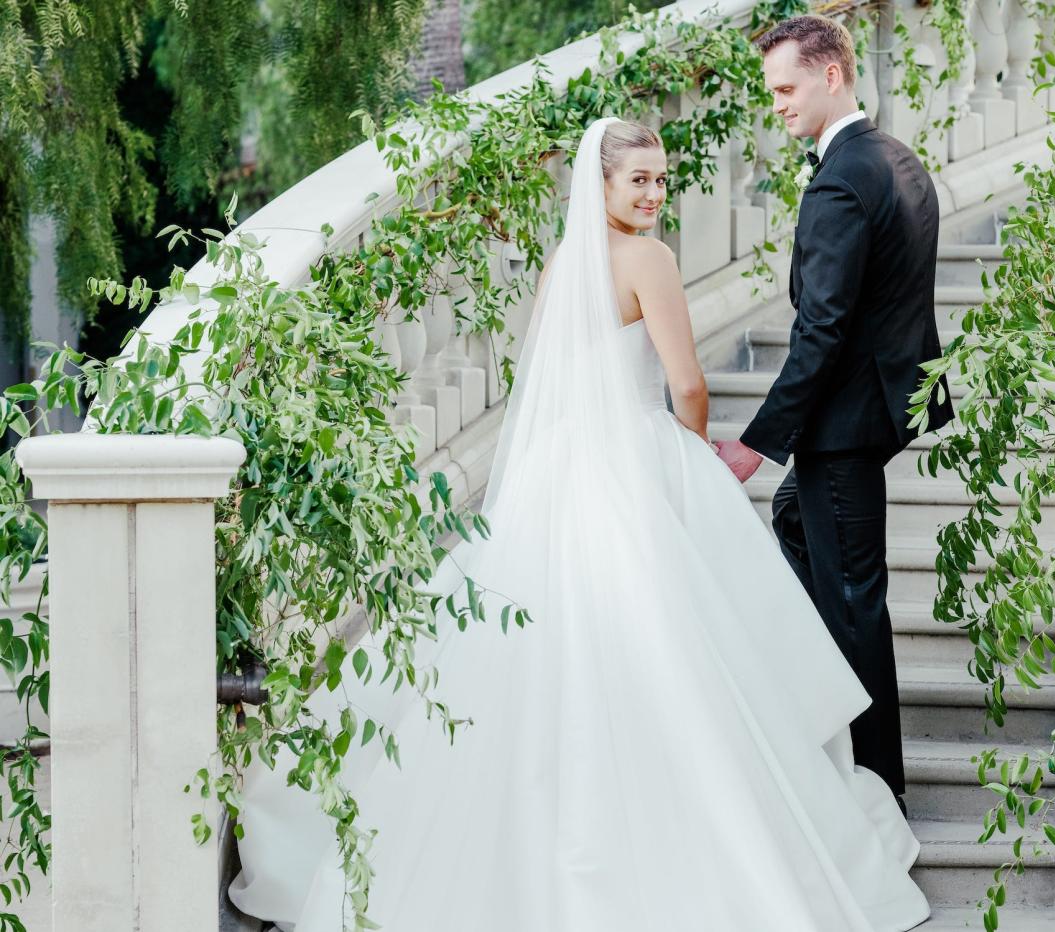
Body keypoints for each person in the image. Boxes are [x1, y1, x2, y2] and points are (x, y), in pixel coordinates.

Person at [229, 116, 931, 932]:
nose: (654, 194)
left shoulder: (563, 265)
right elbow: (689, 385)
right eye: (638, 180)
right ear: (598, 186)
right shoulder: (649, 261)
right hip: (634, 458)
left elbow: (547, 382)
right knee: (683, 651)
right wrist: (693, 458)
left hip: (562, 471)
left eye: (661, 179)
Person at [715, 15, 956, 808]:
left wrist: (757, 443)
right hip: (879, 411)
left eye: (785, 89)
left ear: (831, 76)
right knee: (795, 526)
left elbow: (821, 328)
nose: (776, 105)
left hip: (845, 430)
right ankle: (816, 699)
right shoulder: (896, 159)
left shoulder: (841, 181)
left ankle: (880, 793)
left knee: (856, 606)